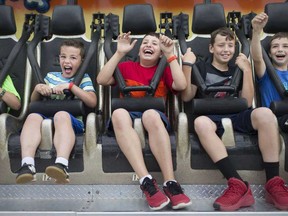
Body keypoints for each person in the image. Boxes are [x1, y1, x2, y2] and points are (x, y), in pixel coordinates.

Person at [181, 27, 288, 211]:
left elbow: (246, 101)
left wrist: (246, 70)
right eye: (221, 45)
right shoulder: (201, 67)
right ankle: (237, 184)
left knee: (265, 114)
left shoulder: (236, 69)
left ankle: (273, 183)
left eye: (230, 46)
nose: (226, 49)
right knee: (200, 123)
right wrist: (188, 66)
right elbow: (186, 97)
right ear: (211, 48)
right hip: (210, 115)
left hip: (237, 114)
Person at [97, 32, 191, 210]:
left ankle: (170, 183)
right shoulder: (125, 67)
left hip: (154, 115)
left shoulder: (163, 69)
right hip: (128, 114)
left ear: (160, 52)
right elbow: (101, 79)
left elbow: (181, 85)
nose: (148, 45)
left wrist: (170, 54)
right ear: (139, 50)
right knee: (118, 114)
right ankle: (146, 181)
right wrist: (119, 53)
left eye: (155, 44)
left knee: (150, 114)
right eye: (145, 42)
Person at [16, 39, 97, 184]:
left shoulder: (83, 78)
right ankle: (27, 165)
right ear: (59, 58)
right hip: (46, 118)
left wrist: (71, 86)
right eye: (63, 57)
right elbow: (33, 104)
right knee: (33, 116)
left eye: (73, 58)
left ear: (81, 61)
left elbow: (92, 101)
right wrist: (38, 89)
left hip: (71, 121)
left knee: (61, 114)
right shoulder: (51, 76)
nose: (67, 61)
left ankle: (61, 165)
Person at [251, 12, 288, 132]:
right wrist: (256, 31)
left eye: (285, 46)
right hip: (274, 121)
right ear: (269, 54)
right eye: (275, 46)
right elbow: (257, 58)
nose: (280, 49)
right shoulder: (265, 72)